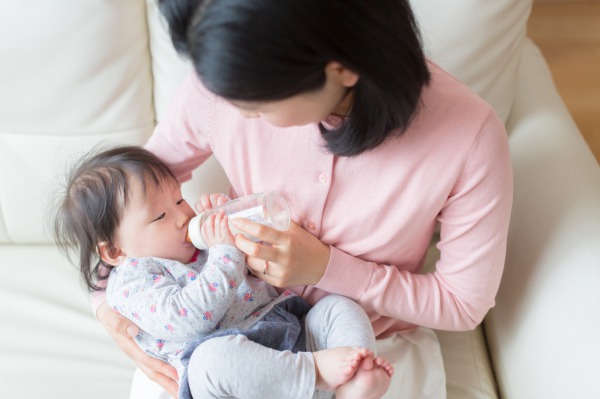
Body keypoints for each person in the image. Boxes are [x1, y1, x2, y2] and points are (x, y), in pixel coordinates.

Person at [95, 0, 513, 398]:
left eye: (257, 102)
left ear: (342, 68)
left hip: (360, 343)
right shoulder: (226, 68)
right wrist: (107, 308)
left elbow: (462, 303)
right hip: (228, 331)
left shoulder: (469, 139)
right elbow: (122, 203)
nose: (239, 112)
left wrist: (329, 268)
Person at [53, 145, 394, 399]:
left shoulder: (201, 247)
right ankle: (318, 373)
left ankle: (355, 383)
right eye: (159, 217)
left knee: (338, 307)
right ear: (115, 251)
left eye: (179, 200)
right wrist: (225, 251)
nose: (182, 217)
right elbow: (190, 318)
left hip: (290, 340)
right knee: (212, 359)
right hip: (234, 377)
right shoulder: (131, 283)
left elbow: (257, 276)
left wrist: (236, 229)